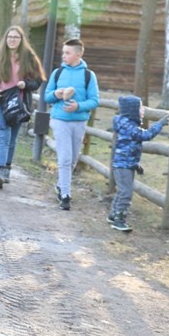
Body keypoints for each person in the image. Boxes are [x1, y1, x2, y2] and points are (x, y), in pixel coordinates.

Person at [0, 25, 46, 189]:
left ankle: (6, 169)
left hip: (18, 104)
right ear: (5, 39)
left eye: (16, 37)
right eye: (9, 37)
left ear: (21, 40)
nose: (12, 40)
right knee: (3, 136)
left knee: (12, 139)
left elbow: (38, 80)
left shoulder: (29, 57)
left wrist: (25, 84)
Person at [44, 38, 100, 211]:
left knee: (74, 158)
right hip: (60, 120)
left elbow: (94, 100)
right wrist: (56, 94)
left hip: (79, 121)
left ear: (78, 54)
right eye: (63, 52)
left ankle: (61, 185)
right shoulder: (57, 73)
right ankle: (66, 196)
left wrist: (78, 106)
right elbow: (47, 96)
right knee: (65, 157)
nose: (64, 56)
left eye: (67, 53)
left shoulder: (88, 75)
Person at [109, 96, 169, 232]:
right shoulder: (129, 126)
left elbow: (129, 148)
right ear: (132, 110)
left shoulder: (127, 124)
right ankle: (119, 220)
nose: (143, 110)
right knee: (126, 192)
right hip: (123, 166)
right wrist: (159, 124)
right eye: (140, 107)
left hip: (125, 164)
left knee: (123, 190)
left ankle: (113, 214)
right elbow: (146, 135)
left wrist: (136, 165)